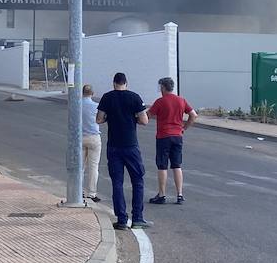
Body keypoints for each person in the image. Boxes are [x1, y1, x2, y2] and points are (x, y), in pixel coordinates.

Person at [95, 72, 151, 230]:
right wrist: (133, 118)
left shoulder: (107, 97)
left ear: (114, 83)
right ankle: (138, 218)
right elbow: (144, 120)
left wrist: (109, 118)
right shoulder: (134, 97)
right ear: (126, 83)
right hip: (131, 145)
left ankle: (121, 219)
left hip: (113, 146)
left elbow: (99, 119)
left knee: (117, 183)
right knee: (137, 181)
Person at [147, 76, 197, 205]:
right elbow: (193, 114)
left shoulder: (160, 101)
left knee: (162, 165)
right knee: (177, 165)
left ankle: (162, 194)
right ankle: (179, 194)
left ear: (163, 87)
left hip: (163, 136)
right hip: (177, 136)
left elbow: (147, 115)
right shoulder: (181, 100)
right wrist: (184, 128)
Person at [80, 84, 102, 203]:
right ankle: (92, 193)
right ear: (92, 93)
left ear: (82, 93)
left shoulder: (77, 105)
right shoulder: (96, 106)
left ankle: (79, 191)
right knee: (93, 166)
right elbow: (101, 119)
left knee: (80, 167)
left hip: (80, 138)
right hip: (93, 137)